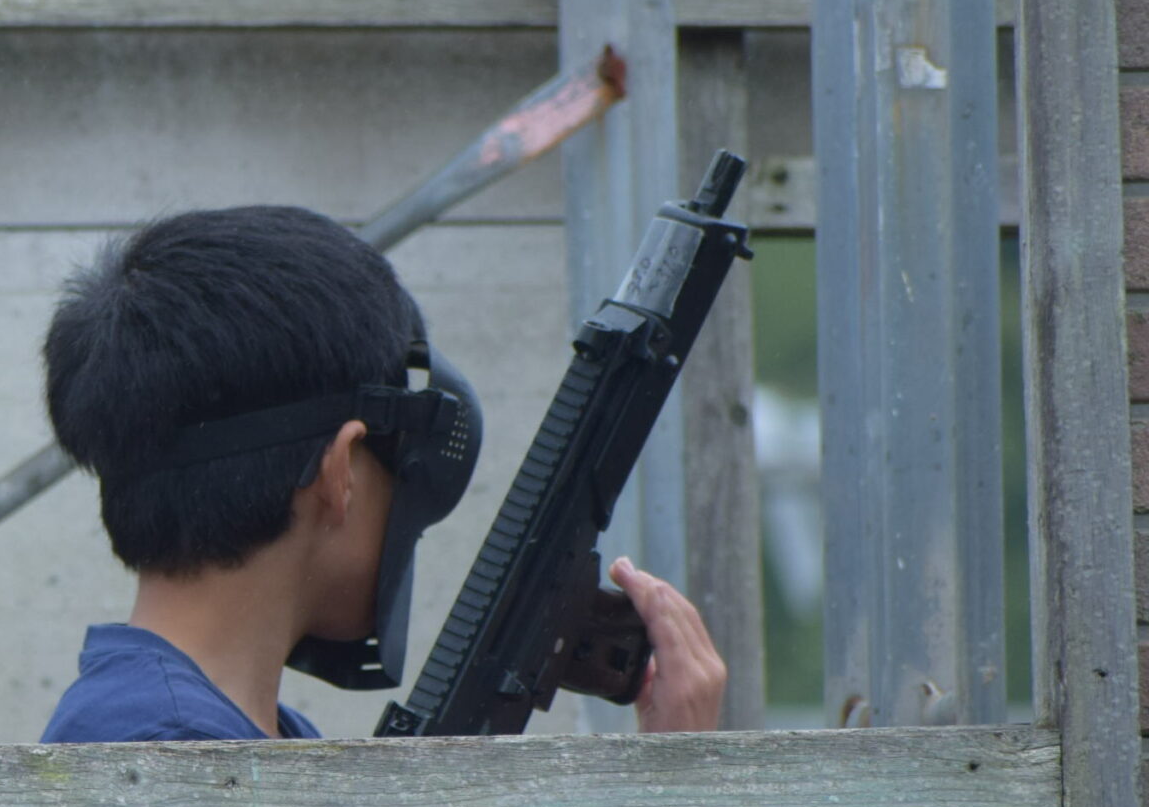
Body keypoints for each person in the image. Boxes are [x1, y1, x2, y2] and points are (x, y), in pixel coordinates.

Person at [37, 204, 726, 744]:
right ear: (340, 471)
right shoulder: (168, 752)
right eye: (396, 459)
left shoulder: (231, 734)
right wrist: (678, 797)